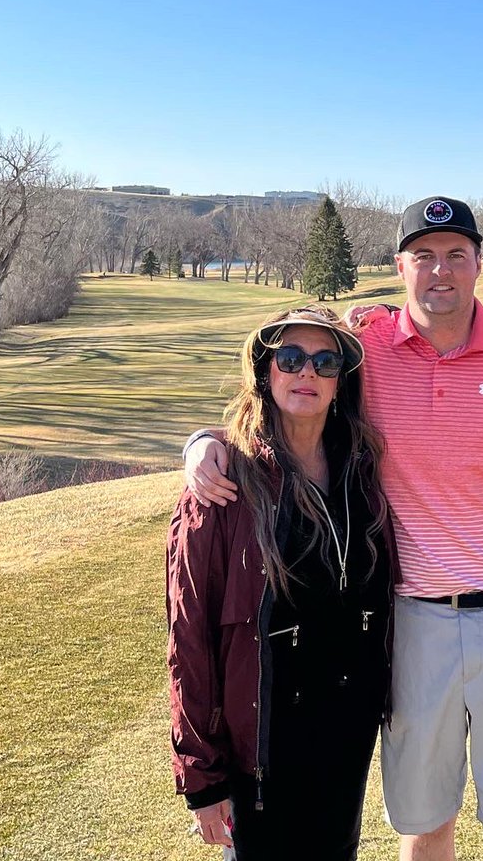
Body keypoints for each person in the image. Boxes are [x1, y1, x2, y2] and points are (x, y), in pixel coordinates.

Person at [182, 197, 483, 861]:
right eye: (423, 257)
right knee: (424, 819)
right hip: (412, 621)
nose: (439, 272)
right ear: (399, 266)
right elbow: (282, 400)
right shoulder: (369, 353)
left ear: (479, 264)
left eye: (455, 256)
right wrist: (203, 442)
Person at [167, 304, 394, 861]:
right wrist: (203, 775)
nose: (306, 373)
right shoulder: (225, 483)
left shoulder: (361, 471)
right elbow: (189, 634)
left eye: (324, 361)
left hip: (345, 731)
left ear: (344, 379)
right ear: (266, 371)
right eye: (290, 358)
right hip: (264, 746)